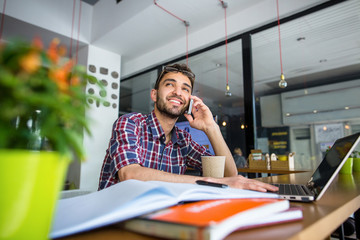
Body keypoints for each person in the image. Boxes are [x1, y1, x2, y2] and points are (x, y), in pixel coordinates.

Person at [98, 63, 277, 193]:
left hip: (161, 219)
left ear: (189, 100)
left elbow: (229, 173)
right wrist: (207, 181)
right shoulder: (130, 122)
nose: (178, 92)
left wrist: (211, 127)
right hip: (114, 220)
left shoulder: (183, 140)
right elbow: (130, 174)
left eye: (185, 89)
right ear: (154, 94)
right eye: (170, 84)